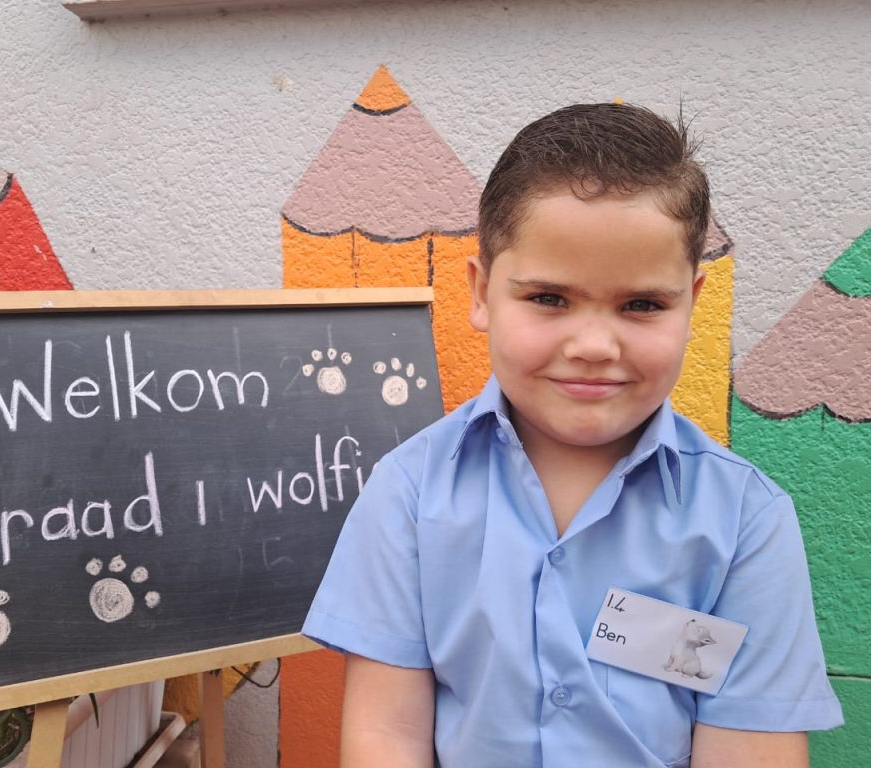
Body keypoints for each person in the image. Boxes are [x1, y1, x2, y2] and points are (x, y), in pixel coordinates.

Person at [302, 102, 843, 767]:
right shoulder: (410, 494)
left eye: (641, 305)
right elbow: (386, 735)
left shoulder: (744, 523)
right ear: (481, 293)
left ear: (691, 304)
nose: (592, 345)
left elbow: (750, 751)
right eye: (549, 298)